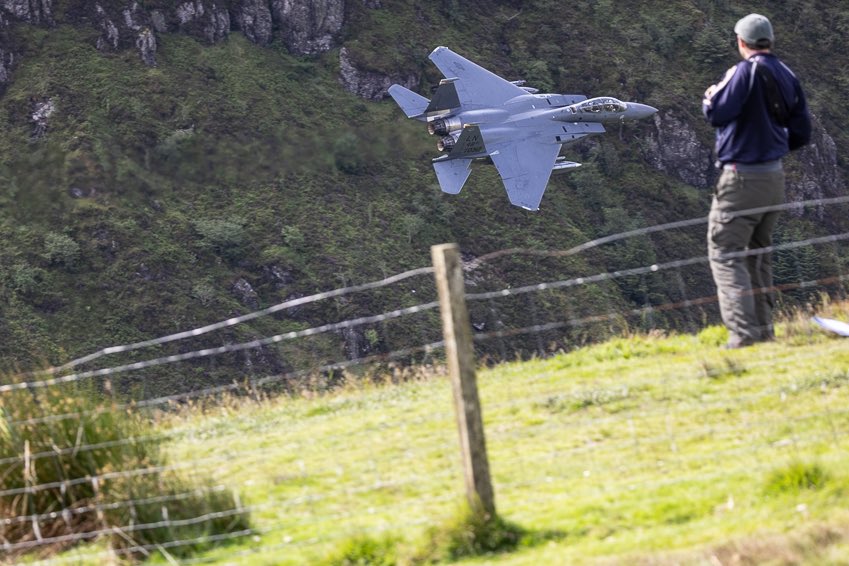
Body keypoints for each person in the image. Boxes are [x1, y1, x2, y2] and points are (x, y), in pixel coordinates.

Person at [702, 13, 811, 349]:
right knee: (758, 254)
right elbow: (802, 131)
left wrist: (709, 96)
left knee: (725, 251)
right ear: (770, 41)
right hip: (774, 176)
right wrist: (772, 149)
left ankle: (744, 335)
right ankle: (764, 331)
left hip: (742, 177)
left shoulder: (743, 72)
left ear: (741, 42)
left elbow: (716, 112)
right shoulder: (787, 73)